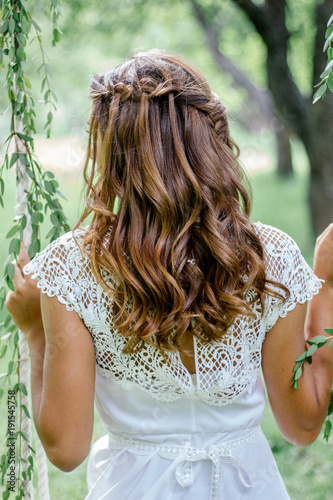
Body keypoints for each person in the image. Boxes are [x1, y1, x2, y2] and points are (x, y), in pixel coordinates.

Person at [6, 50, 333, 500]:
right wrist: (328, 286)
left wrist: (34, 334)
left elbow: (66, 448)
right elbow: (302, 424)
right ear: (212, 138)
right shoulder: (268, 256)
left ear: (109, 153)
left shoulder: (74, 266)